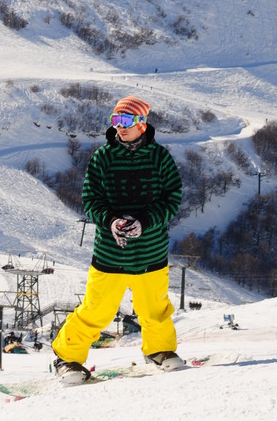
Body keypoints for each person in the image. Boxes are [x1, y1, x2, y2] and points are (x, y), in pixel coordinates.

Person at [52, 95, 183, 382]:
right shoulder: (103, 157)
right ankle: (68, 358)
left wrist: (145, 222)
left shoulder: (160, 157)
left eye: (125, 121)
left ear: (142, 123)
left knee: (154, 308)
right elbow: (91, 199)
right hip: (111, 253)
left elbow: (172, 198)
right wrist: (111, 221)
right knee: (96, 310)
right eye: (115, 121)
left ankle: (159, 351)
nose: (119, 127)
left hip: (151, 251)